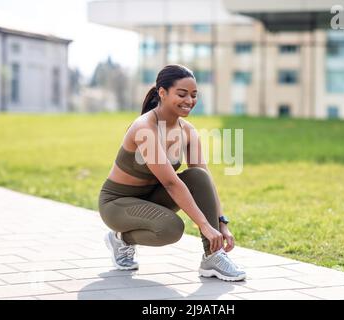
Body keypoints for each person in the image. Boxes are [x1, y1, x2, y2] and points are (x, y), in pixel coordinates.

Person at [98, 64, 246, 281]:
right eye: (182, 94)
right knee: (170, 228)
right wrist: (204, 226)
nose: (189, 101)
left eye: (194, 95)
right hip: (117, 203)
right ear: (162, 93)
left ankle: (213, 256)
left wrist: (221, 223)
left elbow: (204, 180)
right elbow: (170, 182)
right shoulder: (144, 128)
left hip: (152, 198)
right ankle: (121, 239)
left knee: (199, 176)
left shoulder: (187, 131)